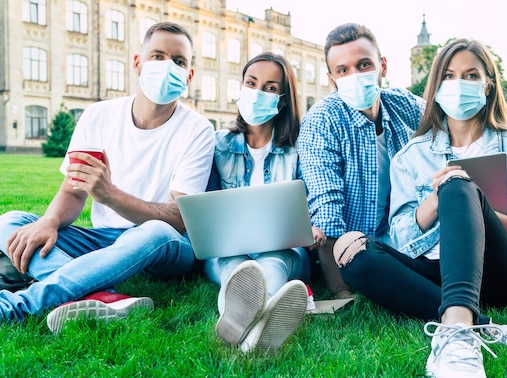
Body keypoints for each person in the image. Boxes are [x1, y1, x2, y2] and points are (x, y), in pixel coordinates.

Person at [332, 38, 507, 377]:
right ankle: (497, 331)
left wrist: (481, 209)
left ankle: (456, 336)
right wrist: (436, 201)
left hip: (502, 274)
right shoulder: (411, 157)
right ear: (435, 87)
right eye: (450, 76)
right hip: (438, 269)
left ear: (488, 84)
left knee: (459, 183)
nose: (459, 85)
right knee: (349, 249)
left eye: (471, 75)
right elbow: (400, 235)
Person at [0, 22, 215, 333]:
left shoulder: (197, 129)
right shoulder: (99, 115)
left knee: (153, 230)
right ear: (138, 63)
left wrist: (109, 195)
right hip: (104, 241)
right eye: (157, 56)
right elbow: (73, 192)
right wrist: (48, 220)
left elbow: (180, 218)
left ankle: (19, 305)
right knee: (10, 222)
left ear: (189, 75)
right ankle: (100, 297)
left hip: (167, 246)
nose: (167, 66)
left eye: (178, 61)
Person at [203, 52, 325, 353]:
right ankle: (257, 330)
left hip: (285, 251)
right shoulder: (217, 144)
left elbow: (315, 204)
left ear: (282, 99)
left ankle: (242, 324)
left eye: (270, 87)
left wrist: (315, 227)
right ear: (241, 86)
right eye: (251, 83)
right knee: (234, 264)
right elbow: (204, 208)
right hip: (228, 251)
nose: (257, 93)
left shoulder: (301, 147)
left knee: (272, 260)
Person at [296, 23, 425, 299]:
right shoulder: (321, 121)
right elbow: (326, 208)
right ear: (332, 80)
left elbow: (451, 126)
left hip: (402, 235)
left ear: (383, 67)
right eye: (343, 70)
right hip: (355, 248)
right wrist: (342, 292)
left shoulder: (403, 104)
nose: (355, 75)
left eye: (364, 64)